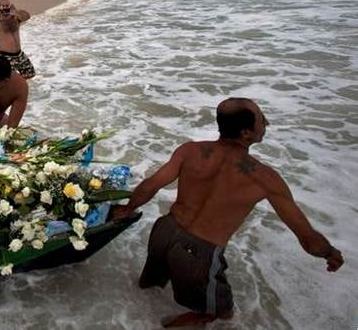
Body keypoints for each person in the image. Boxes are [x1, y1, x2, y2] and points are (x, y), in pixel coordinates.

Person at [112, 98, 344, 328]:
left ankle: (131, 317)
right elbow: (307, 238)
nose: (266, 122)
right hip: (197, 254)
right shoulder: (264, 178)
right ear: (246, 133)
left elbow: (151, 185)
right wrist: (330, 253)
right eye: (261, 118)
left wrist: (127, 209)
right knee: (222, 313)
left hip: (165, 231)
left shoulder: (190, 150)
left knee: (147, 286)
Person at [0, 0, 35, 79]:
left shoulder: (16, 18)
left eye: (7, 5)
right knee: (9, 79)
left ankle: (18, 86)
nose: (5, 8)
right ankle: (12, 87)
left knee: (30, 73)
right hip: (7, 56)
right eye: (3, 6)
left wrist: (16, 11)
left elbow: (27, 16)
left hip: (19, 54)